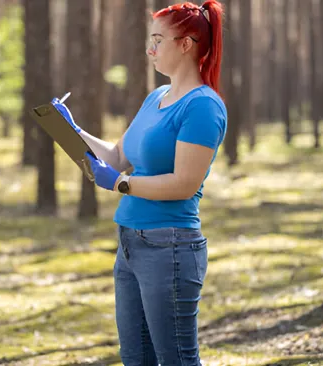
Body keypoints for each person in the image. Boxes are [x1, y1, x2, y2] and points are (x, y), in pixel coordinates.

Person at [52, 1, 226, 364]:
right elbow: (117, 157)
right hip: (129, 244)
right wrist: (72, 130)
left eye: (158, 40)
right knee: (135, 358)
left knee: (176, 358)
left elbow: (183, 184)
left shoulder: (203, 107)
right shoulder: (156, 98)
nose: (150, 49)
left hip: (170, 248)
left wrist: (121, 185)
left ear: (186, 44)